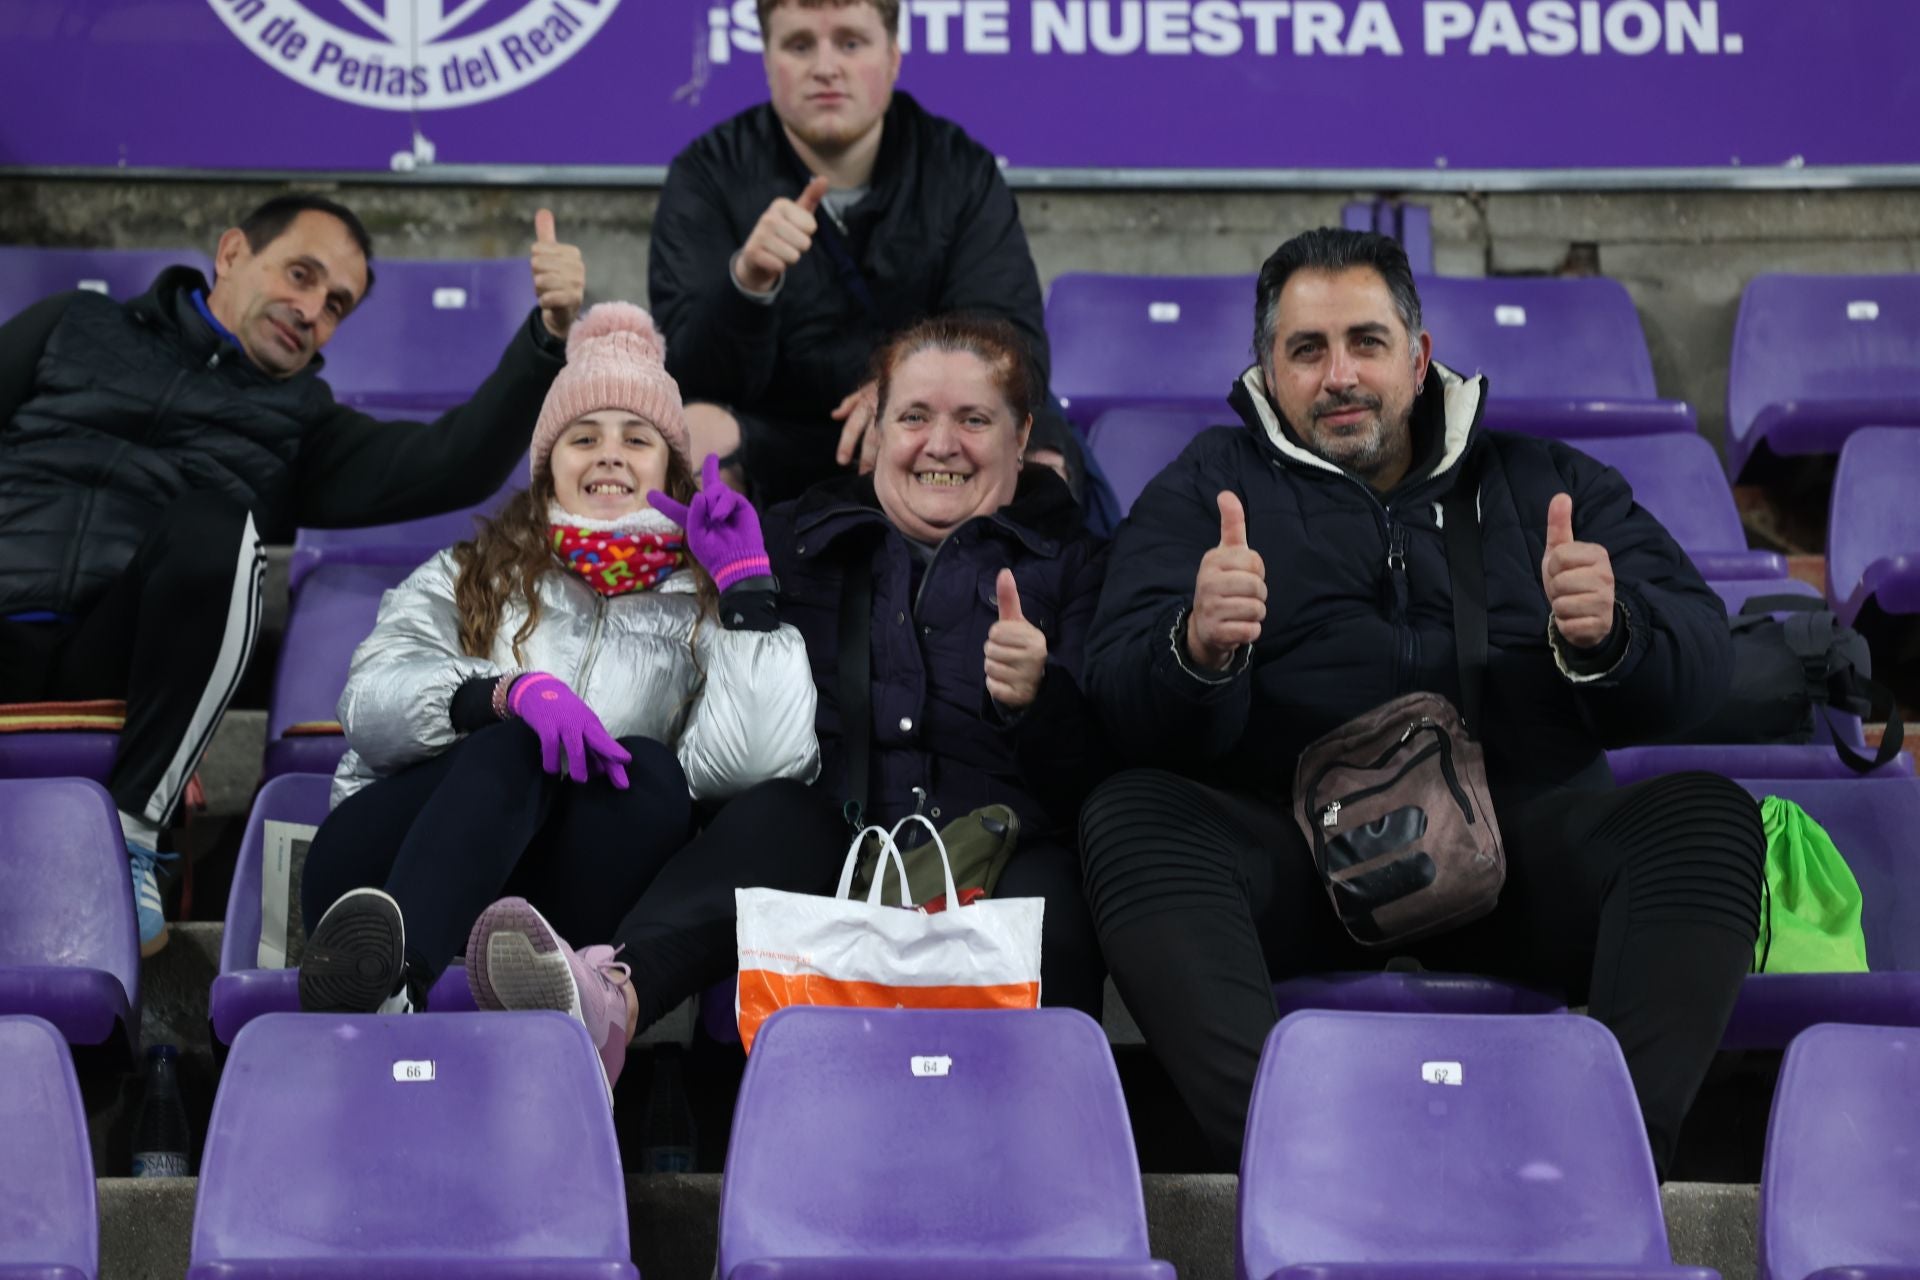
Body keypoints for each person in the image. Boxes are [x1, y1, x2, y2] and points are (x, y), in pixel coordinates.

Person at [1078, 229, 1764, 1179]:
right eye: (1306, 351)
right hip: (1296, 858)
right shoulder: (1207, 487)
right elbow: (1114, 694)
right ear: (1268, 371)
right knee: (1130, 817)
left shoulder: (1545, 482)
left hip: (1521, 852)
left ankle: (1604, 1183)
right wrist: (1194, 651)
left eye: (1365, 342)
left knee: (1707, 819)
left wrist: (1613, 636)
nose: (1340, 376)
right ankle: (1300, 1178)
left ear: (1419, 355)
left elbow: (1701, 664)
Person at [0, 192, 588, 956]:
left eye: (335, 303)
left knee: (218, 522)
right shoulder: (71, 328)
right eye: (300, 274)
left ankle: (130, 833)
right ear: (233, 252)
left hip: (119, 657)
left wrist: (546, 337)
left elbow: (453, 462)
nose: (312, 309)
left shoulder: (302, 424)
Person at [295, 304, 822, 1093]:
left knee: (650, 774)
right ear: (548, 467)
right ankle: (386, 984)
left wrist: (744, 596)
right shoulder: (466, 572)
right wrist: (499, 695)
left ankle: (552, 989)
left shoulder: (703, 601)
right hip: (389, 874)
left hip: (549, 916)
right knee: (514, 740)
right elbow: (369, 704)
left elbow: (756, 770)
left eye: (636, 439)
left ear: (673, 474)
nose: (609, 454)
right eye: (584, 437)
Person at [646, 0, 1084, 505]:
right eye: (800, 45)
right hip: (778, 435)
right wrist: (748, 285)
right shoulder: (708, 175)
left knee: (1038, 443)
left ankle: (1004, 582)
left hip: (927, 426)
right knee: (695, 431)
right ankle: (735, 582)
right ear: (767, 61)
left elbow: (1013, 343)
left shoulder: (957, 169)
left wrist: (904, 385)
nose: (826, 67)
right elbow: (685, 376)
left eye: (851, 43)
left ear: (893, 57)